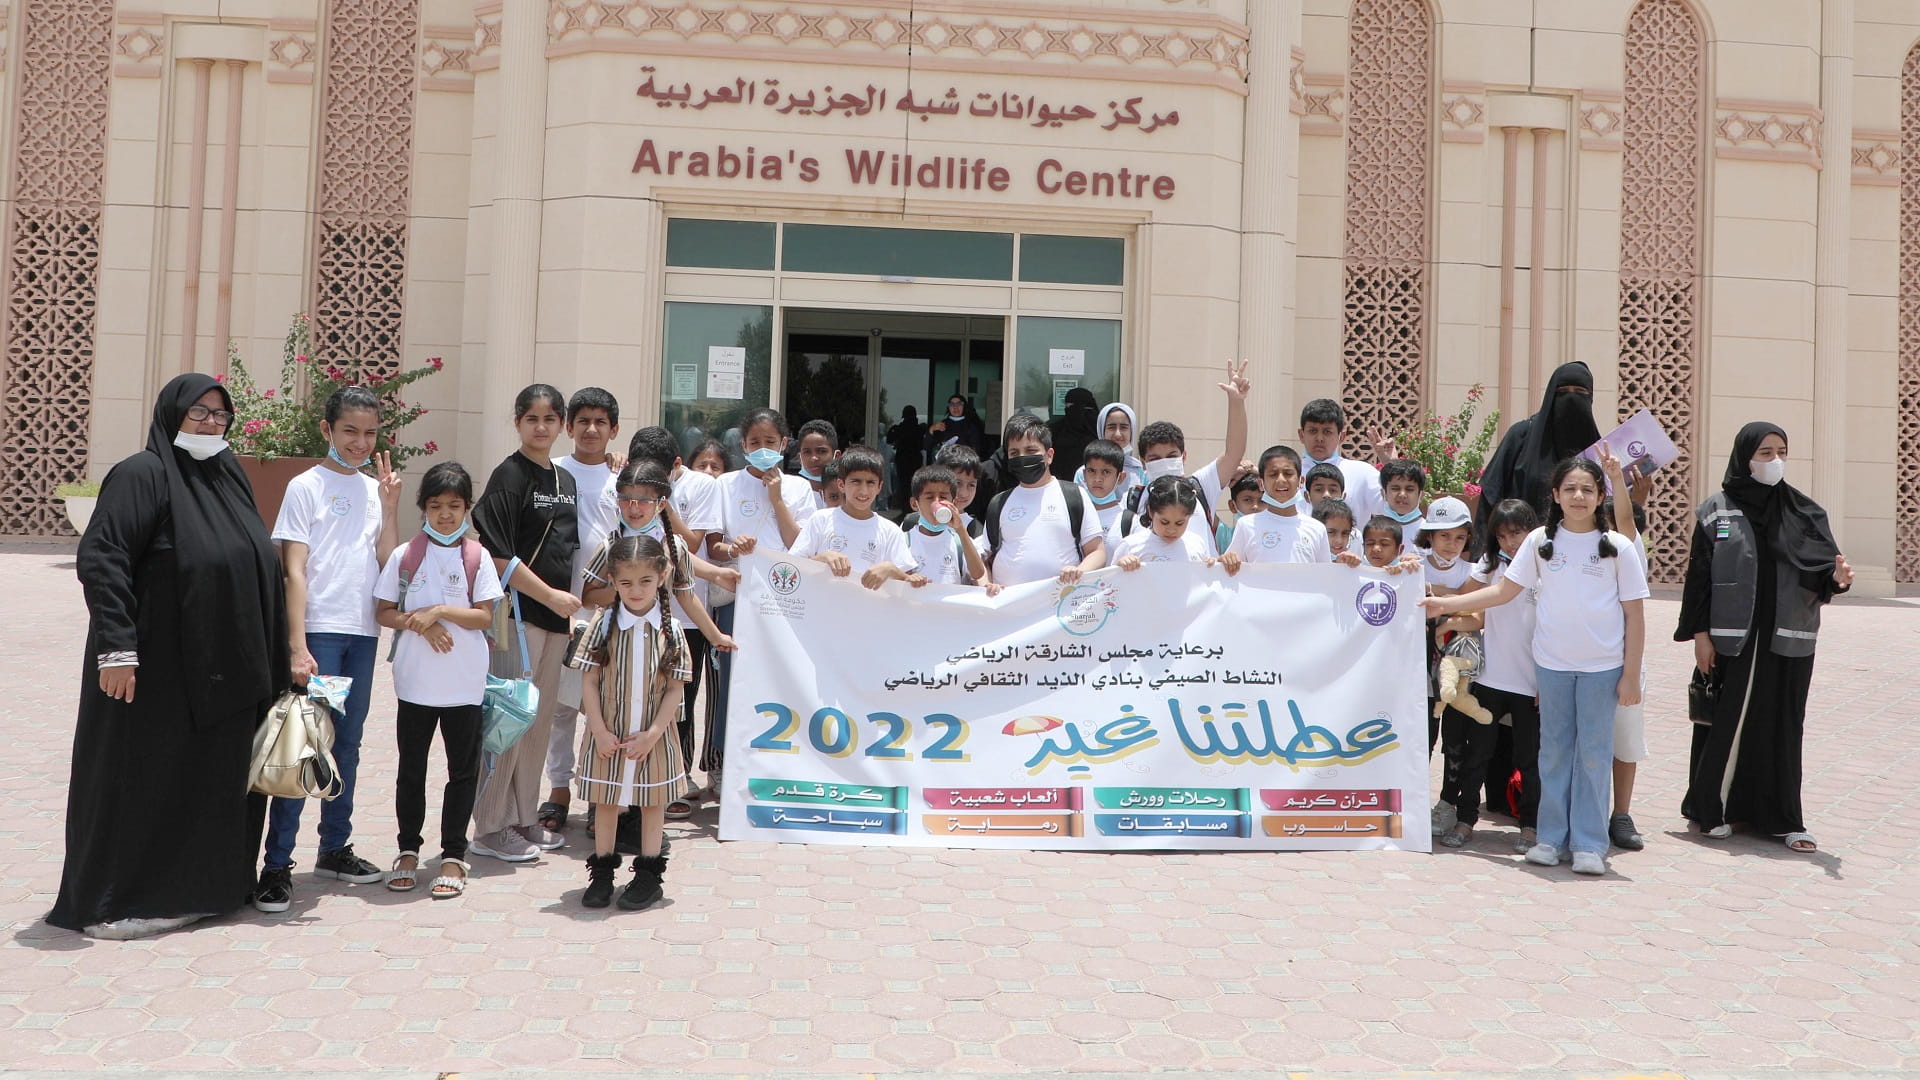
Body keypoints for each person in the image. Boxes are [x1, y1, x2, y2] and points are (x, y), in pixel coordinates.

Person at [52, 373, 289, 939]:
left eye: (219, 415)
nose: (210, 424)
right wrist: (116, 649)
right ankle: (124, 898)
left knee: (213, 782)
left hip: (225, 673)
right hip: (155, 671)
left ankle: (207, 890)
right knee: (144, 781)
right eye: (198, 413)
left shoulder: (226, 473)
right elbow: (104, 557)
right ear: (171, 414)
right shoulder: (144, 474)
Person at [1425, 457, 1648, 877]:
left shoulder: (1616, 547)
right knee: (1554, 755)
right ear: (1555, 495)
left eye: (1587, 489)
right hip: (1551, 667)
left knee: (1594, 755)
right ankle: (1549, 838)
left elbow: (1635, 616)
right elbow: (1502, 592)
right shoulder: (1540, 543)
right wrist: (1447, 605)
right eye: (1569, 489)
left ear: (1600, 496)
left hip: (1603, 668)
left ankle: (1589, 843)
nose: (1578, 496)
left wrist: (1630, 675)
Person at [1677, 422, 1851, 854]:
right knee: (1725, 722)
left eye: (1781, 452)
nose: (1774, 461)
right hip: (1733, 638)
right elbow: (1699, 577)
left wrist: (1839, 580)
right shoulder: (1715, 510)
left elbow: (1822, 574)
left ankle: (1784, 819)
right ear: (1744, 456)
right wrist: (1701, 635)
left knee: (1782, 725)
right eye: (1765, 452)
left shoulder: (1804, 512)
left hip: (1787, 639)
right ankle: (1712, 809)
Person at [260, 386, 403, 911]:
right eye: (350, 431)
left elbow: (388, 562)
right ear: (327, 430)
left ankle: (334, 847)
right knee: (305, 745)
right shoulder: (305, 486)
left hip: (362, 634)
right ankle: (276, 865)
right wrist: (297, 646)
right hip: (318, 636)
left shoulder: (374, 489)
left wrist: (389, 508)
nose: (361, 442)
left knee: (347, 745)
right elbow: (292, 569)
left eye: (370, 433)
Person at [372, 463, 503, 899]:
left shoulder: (476, 557)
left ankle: (453, 856)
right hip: (415, 685)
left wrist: (441, 612)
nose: (445, 515)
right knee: (411, 771)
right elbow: (384, 611)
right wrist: (419, 623)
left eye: (454, 506)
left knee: (461, 772)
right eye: (435, 506)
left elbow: (484, 614)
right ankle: (408, 851)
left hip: (464, 684)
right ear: (422, 508)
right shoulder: (405, 555)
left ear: (467, 508)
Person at [469, 384, 582, 863]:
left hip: (555, 622)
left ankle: (522, 819)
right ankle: (490, 828)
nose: (541, 427)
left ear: (562, 426)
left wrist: (564, 605)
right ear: (517, 422)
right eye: (532, 418)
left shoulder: (564, 478)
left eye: (550, 419)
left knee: (535, 724)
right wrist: (551, 596)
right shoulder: (508, 475)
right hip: (516, 618)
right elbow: (495, 555)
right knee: (507, 721)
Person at [576, 536, 691, 910]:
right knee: (607, 801)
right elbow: (589, 679)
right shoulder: (603, 622)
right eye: (626, 583)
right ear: (612, 580)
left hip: (652, 736)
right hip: (608, 731)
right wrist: (597, 728)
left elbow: (675, 689)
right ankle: (604, 873)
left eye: (645, 580)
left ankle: (648, 876)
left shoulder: (671, 629)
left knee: (651, 803)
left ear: (662, 575)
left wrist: (654, 733)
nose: (636, 590)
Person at [627, 426, 729, 818]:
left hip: (685, 618)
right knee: (639, 700)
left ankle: (678, 775)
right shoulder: (629, 494)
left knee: (682, 700)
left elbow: (690, 545)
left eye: (657, 477)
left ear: (675, 466)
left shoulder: (701, 486)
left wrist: (665, 505)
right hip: (635, 616)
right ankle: (630, 783)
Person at [540, 388, 623, 835]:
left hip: (608, 611)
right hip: (559, 607)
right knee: (560, 707)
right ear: (568, 427)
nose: (592, 430)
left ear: (614, 430)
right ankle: (557, 790)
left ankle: (600, 792)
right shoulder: (551, 474)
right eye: (583, 421)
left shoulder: (622, 481)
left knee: (602, 707)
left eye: (601, 422)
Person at [1464, 498, 1544, 854]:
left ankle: (1530, 827)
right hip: (1491, 677)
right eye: (1502, 535)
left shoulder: (1548, 564)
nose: (1510, 542)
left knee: (1529, 760)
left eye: (1517, 532)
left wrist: (1546, 680)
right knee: (1477, 754)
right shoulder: (1490, 563)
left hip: (1532, 682)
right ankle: (1465, 820)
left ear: (1533, 530)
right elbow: (1466, 597)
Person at [1114, 360, 1252, 549]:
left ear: (1184, 456)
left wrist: (1236, 401)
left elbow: (1234, 452)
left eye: (1171, 456)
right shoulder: (1131, 501)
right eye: (1155, 459)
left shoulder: (1201, 486)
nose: (1164, 463)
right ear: (1143, 462)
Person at [982, 413, 1108, 587]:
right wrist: (987, 586)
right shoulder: (999, 502)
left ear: (1049, 455)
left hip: (1058, 607)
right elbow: (983, 557)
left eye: (1030, 451)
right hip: (1008, 608)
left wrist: (1079, 572)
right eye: (1014, 452)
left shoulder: (1074, 495)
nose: (1022, 457)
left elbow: (1097, 552)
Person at [1476, 362, 1602, 530]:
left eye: (1580, 392)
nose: (1571, 399)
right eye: (1563, 392)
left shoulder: (1598, 450)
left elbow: (1610, 510)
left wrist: (1639, 492)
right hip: (1520, 549)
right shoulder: (1521, 436)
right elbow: (1491, 495)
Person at [791, 447, 921, 589]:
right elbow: (791, 566)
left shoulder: (890, 531)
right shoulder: (820, 520)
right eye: (856, 481)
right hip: (823, 608)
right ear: (841, 484)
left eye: (870, 482)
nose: (863, 490)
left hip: (869, 610)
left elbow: (908, 583)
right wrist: (822, 559)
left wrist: (890, 569)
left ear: (879, 487)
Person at [1219, 445, 1331, 572]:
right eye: (1273, 474)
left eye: (1288, 473)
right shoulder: (1246, 525)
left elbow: (1325, 578)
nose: (1281, 480)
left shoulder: (1317, 529)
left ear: (1301, 481)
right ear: (1261, 483)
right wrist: (1227, 560)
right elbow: (1229, 570)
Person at [1297, 398, 1385, 522]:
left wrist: (1391, 464)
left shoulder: (1362, 472)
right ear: (1301, 435)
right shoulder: (1289, 474)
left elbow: (1391, 507)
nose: (1320, 438)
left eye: (1327, 432)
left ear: (1342, 436)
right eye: (1313, 431)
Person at [902, 465, 988, 586]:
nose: (937, 502)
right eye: (930, 497)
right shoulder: (904, 541)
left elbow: (978, 573)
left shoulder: (959, 541)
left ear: (953, 502)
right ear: (915, 504)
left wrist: (961, 530)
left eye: (943, 497)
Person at [1111, 476, 1218, 568]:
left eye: (1179, 523)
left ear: (1190, 516)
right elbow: (1109, 585)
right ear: (1151, 512)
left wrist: (1217, 566)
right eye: (1164, 522)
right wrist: (1121, 567)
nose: (1171, 530)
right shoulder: (1131, 545)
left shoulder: (1196, 543)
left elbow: (1205, 584)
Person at [1077, 439, 1131, 534]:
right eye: (1092, 471)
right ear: (1084, 475)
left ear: (1120, 478)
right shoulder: (1073, 517)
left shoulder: (1129, 521)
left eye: (1106, 472)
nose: (1097, 479)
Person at [1048, 386, 1101, 482]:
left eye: (1070, 406)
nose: (1068, 409)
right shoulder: (1056, 431)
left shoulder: (1102, 429)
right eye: (1067, 407)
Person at [934, 443, 988, 532]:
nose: (964, 493)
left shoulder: (975, 531)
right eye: (957, 483)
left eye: (971, 485)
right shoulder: (915, 523)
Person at [1379, 459, 1428, 549]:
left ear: (1421, 495)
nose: (1402, 494)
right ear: (1383, 493)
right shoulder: (1373, 530)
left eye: (1409, 489)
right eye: (1395, 488)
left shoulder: (1429, 533)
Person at [792, 419, 840, 511]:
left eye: (821, 451)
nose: (814, 458)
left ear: (837, 455)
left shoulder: (848, 495)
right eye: (807, 452)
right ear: (800, 458)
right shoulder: (793, 495)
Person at [1216, 473, 1263, 554]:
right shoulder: (1224, 532)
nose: (1255, 506)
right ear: (1232, 506)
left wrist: (1255, 471)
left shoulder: (1276, 529)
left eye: (1262, 501)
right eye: (1248, 500)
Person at [886, 405, 925, 497]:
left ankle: (905, 508)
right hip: (915, 459)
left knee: (904, 485)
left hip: (903, 459)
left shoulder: (901, 428)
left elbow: (889, 439)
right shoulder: (919, 428)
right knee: (915, 485)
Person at [1312, 498, 1363, 567]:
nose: (1339, 540)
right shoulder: (1307, 559)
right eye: (1331, 532)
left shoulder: (1353, 563)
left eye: (1345, 533)